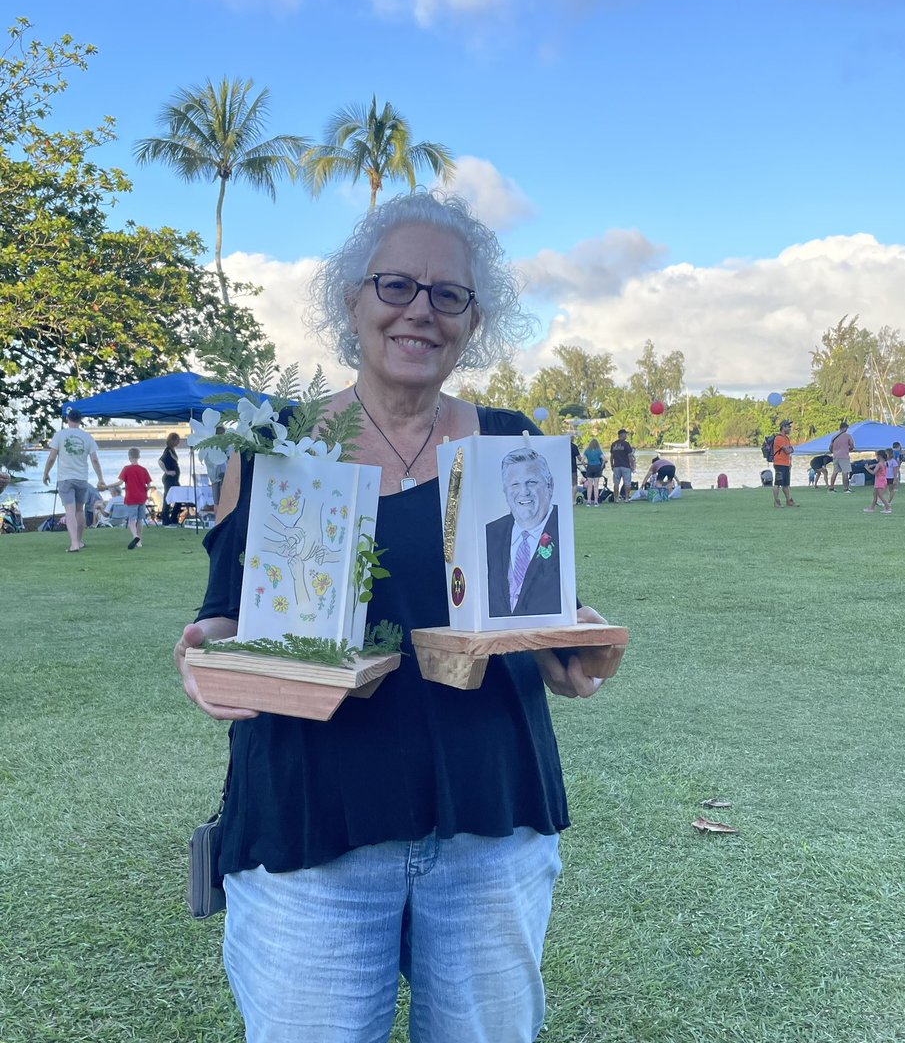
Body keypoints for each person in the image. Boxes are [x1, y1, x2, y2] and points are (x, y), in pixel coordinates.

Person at [174, 191, 610, 1043]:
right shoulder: (274, 448)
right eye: (397, 286)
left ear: (474, 319)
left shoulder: (510, 445)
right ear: (353, 301)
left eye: (448, 295)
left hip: (489, 818)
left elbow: (537, 629)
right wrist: (204, 654)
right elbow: (228, 620)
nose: (421, 311)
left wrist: (578, 650)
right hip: (312, 825)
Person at [486, 447, 562, 618]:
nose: (524, 491)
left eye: (531, 482)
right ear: (505, 491)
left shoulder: (564, 529)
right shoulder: (490, 534)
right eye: (515, 484)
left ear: (550, 485)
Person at [42, 408, 107, 552]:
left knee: (69, 511)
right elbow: (95, 460)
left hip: (65, 478)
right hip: (82, 478)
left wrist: (46, 473)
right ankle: (79, 540)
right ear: (80, 420)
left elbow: (52, 457)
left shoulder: (60, 435)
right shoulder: (87, 437)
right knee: (80, 510)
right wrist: (100, 478)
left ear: (67, 419)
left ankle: (74, 544)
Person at [118, 447, 153, 550]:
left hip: (131, 497)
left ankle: (135, 536)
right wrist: (145, 491)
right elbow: (149, 485)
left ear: (129, 457)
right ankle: (139, 541)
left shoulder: (126, 469)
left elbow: (120, 482)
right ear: (139, 457)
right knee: (140, 519)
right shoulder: (143, 470)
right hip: (142, 497)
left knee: (132, 520)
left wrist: (107, 486)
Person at [771, 419, 797, 508]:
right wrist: (790, 449)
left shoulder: (786, 438)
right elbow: (787, 450)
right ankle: (776, 501)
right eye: (788, 427)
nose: (790, 429)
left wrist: (790, 462)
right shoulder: (779, 438)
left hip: (786, 463)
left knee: (786, 484)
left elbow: (790, 450)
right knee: (778, 483)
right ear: (783, 427)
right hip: (779, 464)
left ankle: (789, 500)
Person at [159, 432, 182, 526]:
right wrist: (167, 471)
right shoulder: (167, 451)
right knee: (167, 498)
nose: (179, 442)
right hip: (169, 479)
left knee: (179, 497)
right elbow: (160, 461)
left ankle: (173, 517)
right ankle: (165, 518)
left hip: (175, 479)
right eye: (177, 440)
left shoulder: (172, 450)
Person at [828, 420, 856, 492]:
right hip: (844, 456)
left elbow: (831, 447)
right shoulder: (848, 436)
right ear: (844, 428)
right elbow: (852, 446)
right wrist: (848, 449)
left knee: (835, 472)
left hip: (835, 456)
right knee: (845, 472)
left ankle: (831, 487)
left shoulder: (834, 437)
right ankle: (845, 488)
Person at [205, 426, 230, 506]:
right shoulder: (211, 446)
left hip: (224, 474)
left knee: (221, 500)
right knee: (217, 501)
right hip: (216, 476)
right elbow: (209, 461)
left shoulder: (226, 446)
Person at [609, 428, 635, 502]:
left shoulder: (613, 444)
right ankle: (626, 498)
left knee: (616, 483)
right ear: (621, 435)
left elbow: (611, 456)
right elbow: (630, 456)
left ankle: (616, 498)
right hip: (625, 466)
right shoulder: (626, 444)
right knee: (627, 483)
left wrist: (612, 465)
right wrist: (632, 465)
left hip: (616, 466)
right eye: (625, 434)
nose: (626, 435)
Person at [863, 450, 892, 514]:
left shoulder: (879, 464)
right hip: (883, 480)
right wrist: (873, 465)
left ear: (879, 456)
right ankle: (872, 508)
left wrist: (867, 468)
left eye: (877, 456)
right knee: (875, 495)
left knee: (880, 495)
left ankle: (888, 507)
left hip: (879, 481)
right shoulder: (885, 463)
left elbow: (874, 472)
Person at [583, 436, 605, 506]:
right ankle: (596, 501)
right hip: (597, 467)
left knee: (589, 486)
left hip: (589, 467)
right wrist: (601, 466)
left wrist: (585, 466)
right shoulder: (598, 450)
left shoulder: (587, 450)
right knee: (596, 486)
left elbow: (582, 460)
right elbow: (604, 459)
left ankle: (589, 501)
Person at [568, 434, 582, 505]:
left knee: (566, 484)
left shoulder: (562, 446)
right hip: (572, 467)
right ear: (572, 439)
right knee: (574, 484)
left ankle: (566, 499)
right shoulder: (574, 446)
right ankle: (573, 500)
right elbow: (579, 458)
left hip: (564, 468)